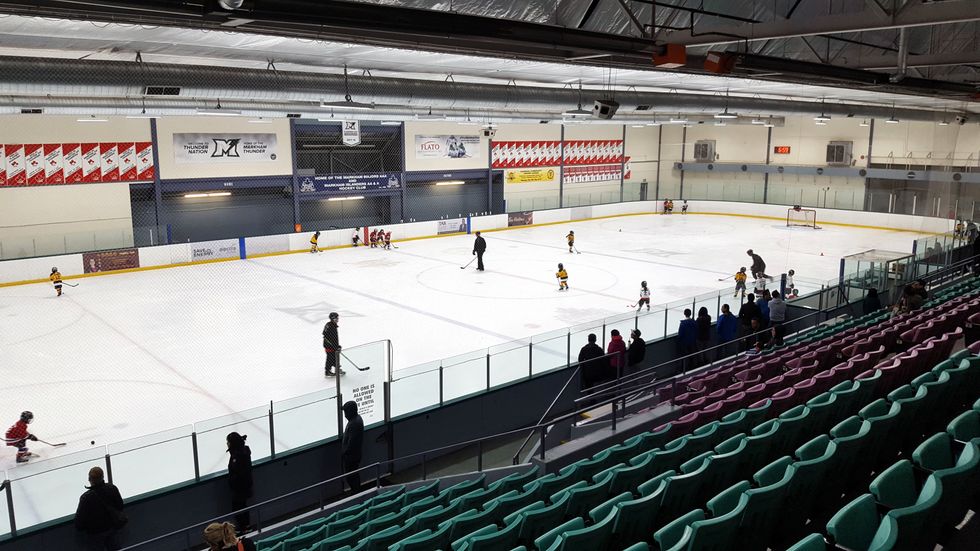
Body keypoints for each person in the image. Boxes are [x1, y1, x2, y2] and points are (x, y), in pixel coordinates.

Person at [75, 466, 125, 550]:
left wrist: (83, 528)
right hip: (111, 528)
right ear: (102, 477)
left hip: (95, 533)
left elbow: (79, 520)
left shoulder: (86, 498)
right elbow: (120, 506)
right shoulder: (112, 488)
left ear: (90, 479)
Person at [226, 432, 253, 533]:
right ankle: (245, 526)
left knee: (238, 507)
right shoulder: (241, 452)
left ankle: (245, 527)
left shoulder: (238, 455)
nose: (227, 444)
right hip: (242, 486)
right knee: (241, 506)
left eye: (228, 442)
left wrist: (233, 481)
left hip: (240, 487)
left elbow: (238, 471)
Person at [341, 401, 364, 494]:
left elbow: (352, 443)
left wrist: (345, 452)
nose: (345, 414)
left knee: (351, 476)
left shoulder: (354, 423)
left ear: (351, 411)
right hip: (353, 455)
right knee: (352, 475)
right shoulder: (355, 420)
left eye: (346, 411)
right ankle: (356, 492)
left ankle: (356, 493)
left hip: (352, 456)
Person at [322, 312, 345, 377]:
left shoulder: (330, 324)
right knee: (331, 358)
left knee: (333, 357)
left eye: (338, 318)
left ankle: (337, 369)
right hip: (329, 346)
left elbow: (326, 335)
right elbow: (331, 338)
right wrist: (336, 346)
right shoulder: (331, 327)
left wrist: (337, 346)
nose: (338, 319)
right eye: (336, 318)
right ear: (333, 319)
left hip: (329, 345)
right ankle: (328, 371)